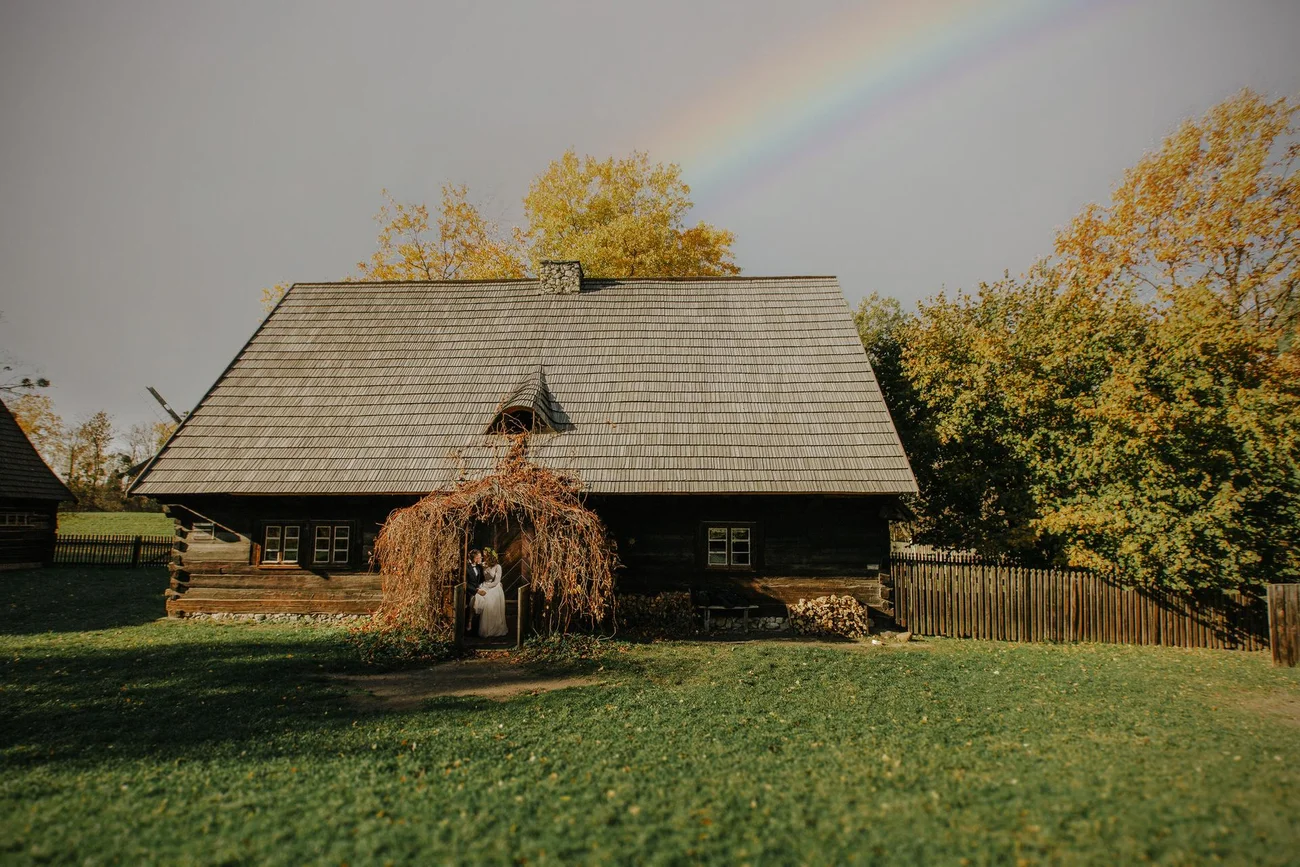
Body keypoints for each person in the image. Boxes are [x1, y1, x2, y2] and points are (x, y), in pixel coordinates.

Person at [474, 550, 508, 638]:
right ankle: (484, 628)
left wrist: (487, 587)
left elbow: (496, 581)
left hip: (494, 587)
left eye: (485, 555)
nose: (483, 557)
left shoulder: (498, 567)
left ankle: (495, 628)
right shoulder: (483, 565)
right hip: (484, 584)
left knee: (490, 603)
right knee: (479, 598)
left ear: (490, 556)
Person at [465, 548, 486, 635]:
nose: (481, 559)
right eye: (480, 557)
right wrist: (476, 591)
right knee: (474, 602)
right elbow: (465, 584)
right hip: (469, 592)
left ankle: (479, 627)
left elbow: (481, 580)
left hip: (478, 589)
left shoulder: (479, 567)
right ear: (475, 558)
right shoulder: (466, 567)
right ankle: (469, 624)